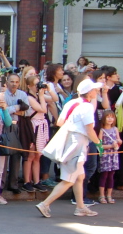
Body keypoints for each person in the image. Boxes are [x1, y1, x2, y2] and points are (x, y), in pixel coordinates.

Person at [36, 79, 104, 218]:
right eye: (94, 89)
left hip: (71, 139)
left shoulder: (72, 103)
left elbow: (60, 122)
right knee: (69, 179)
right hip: (77, 143)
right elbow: (90, 129)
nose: (96, 91)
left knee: (79, 176)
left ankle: (80, 207)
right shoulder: (87, 107)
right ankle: (45, 203)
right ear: (90, 92)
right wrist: (98, 143)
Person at [21, 76, 49, 192]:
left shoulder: (39, 95)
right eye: (36, 84)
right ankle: (27, 181)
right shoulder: (30, 97)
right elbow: (43, 109)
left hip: (41, 125)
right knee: (31, 155)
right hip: (33, 126)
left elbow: (54, 98)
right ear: (29, 86)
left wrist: (48, 89)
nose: (38, 87)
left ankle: (36, 181)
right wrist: (42, 96)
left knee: (38, 155)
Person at [3, 73, 29, 194]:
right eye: (12, 81)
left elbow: (27, 112)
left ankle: (13, 184)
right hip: (5, 126)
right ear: (7, 82)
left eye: (16, 82)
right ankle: (1, 184)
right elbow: (3, 110)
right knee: (3, 154)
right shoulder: (2, 94)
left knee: (16, 154)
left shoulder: (22, 94)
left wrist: (12, 109)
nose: (14, 84)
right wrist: (18, 107)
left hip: (18, 126)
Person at [97, 109, 122, 203]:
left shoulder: (115, 129)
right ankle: (101, 195)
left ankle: (109, 195)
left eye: (112, 117)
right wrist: (111, 146)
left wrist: (118, 142)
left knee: (111, 175)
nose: (110, 119)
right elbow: (99, 145)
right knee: (104, 175)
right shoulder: (102, 130)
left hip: (114, 155)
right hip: (105, 156)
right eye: (108, 117)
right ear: (104, 118)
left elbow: (119, 140)